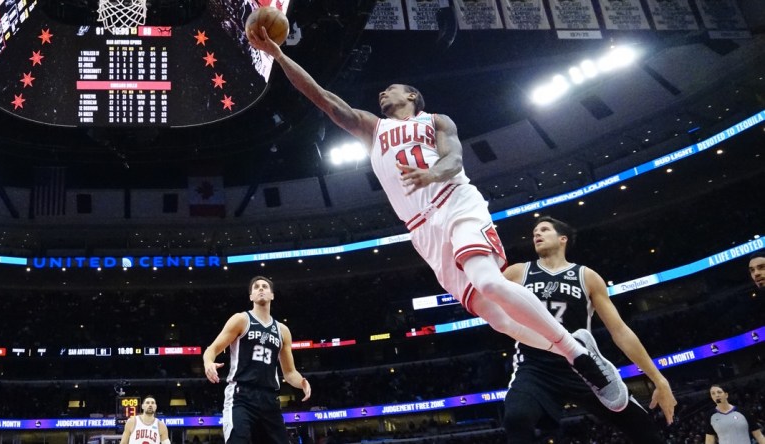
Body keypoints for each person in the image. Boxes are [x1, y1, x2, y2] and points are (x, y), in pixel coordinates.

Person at [247, 27, 628, 411]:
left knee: (489, 283)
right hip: (422, 230)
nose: (383, 93)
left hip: (455, 201)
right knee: (497, 318)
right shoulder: (373, 128)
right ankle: (577, 347)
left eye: (392, 89)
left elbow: (455, 160)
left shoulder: (435, 122)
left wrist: (433, 174)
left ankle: (579, 358)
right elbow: (324, 99)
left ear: (411, 96)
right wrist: (279, 56)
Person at [501, 216, 677, 443]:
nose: (537, 234)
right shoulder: (517, 273)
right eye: (535, 232)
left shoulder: (587, 277)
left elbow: (620, 331)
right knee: (516, 418)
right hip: (534, 366)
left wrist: (659, 379)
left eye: (544, 230)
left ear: (562, 239)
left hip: (581, 366)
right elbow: (481, 296)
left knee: (643, 429)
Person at [203, 276, 311, 444]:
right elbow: (212, 349)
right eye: (256, 287)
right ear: (251, 296)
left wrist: (302, 382)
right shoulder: (241, 319)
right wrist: (208, 362)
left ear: (272, 295)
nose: (261, 288)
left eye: (265, 286)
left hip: (269, 399)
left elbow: (289, 372)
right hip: (241, 395)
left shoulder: (282, 330)